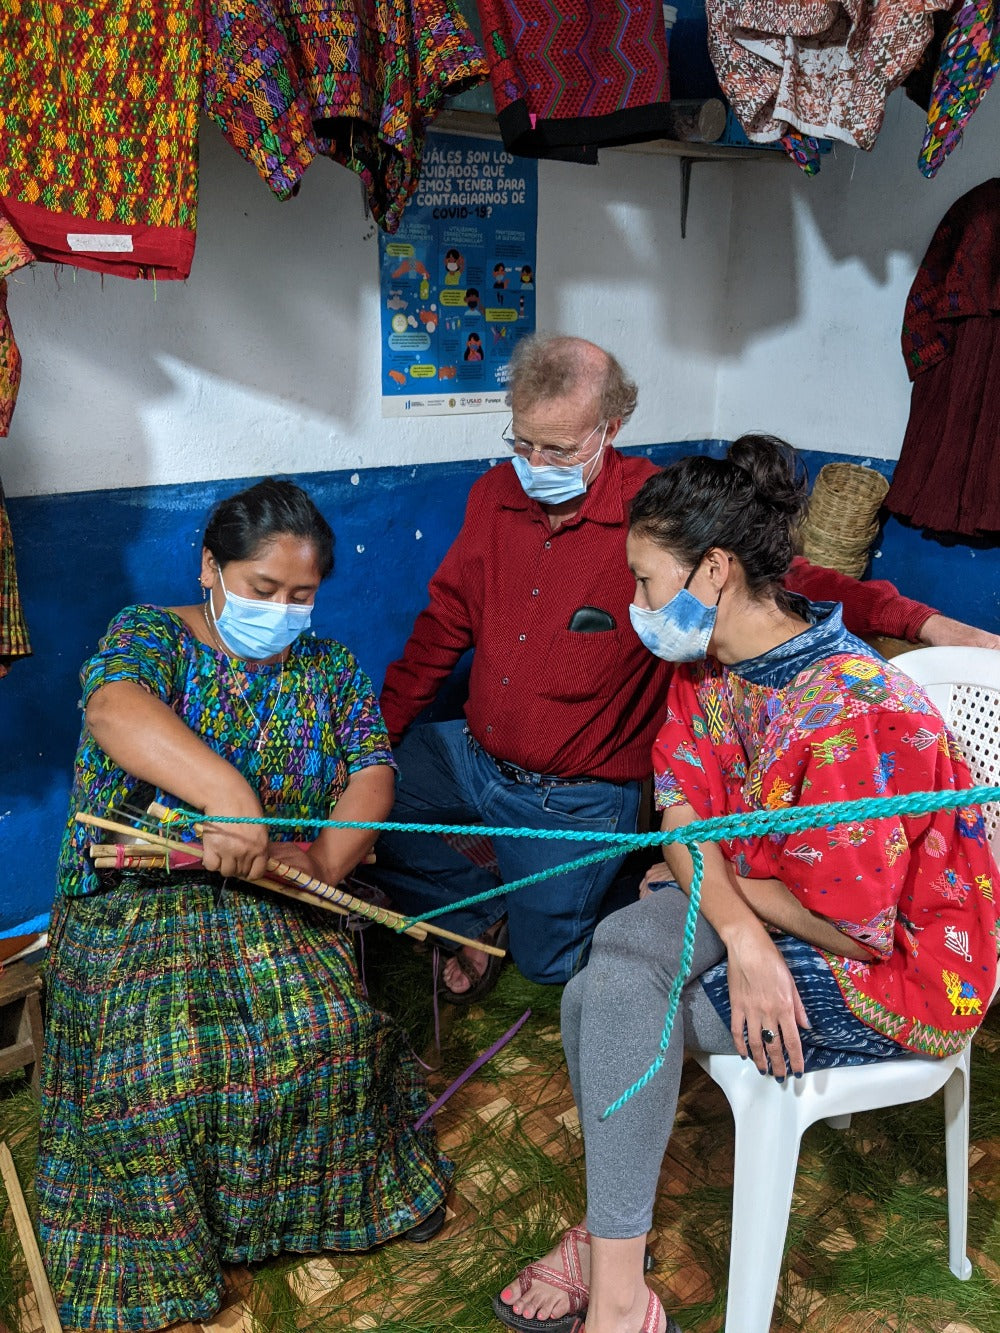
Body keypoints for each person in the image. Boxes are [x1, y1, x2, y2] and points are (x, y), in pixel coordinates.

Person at [493, 435, 999, 1333]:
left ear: (714, 570)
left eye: (647, 580)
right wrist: (746, 931)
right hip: (788, 917)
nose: (636, 604)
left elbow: (856, 928)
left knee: (602, 998)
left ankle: (613, 1283)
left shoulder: (856, 713)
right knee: (609, 973)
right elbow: (682, 815)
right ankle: (619, 1281)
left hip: (893, 966)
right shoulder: (710, 668)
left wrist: (720, 887)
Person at [372, 334, 1000, 999]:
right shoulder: (495, 495)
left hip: (575, 792)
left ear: (611, 429)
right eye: (522, 442)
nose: (534, 463)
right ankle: (482, 909)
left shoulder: (657, 513)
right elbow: (444, 621)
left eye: (557, 449)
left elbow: (787, 577)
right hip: (472, 754)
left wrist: (929, 623)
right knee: (374, 790)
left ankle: (575, 898)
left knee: (548, 963)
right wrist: (376, 738)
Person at [36, 479, 452, 1332]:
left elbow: (373, 767)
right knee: (167, 1066)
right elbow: (114, 705)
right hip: (141, 897)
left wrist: (324, 863)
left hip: (270, 893)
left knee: (330, 1036)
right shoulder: (150, 635)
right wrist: (230, 796)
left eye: (302, 595)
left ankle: (308, 1210)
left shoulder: (327, 668)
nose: (283, 610)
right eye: (263, 589)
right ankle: (163, 1254)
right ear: (211, 569)